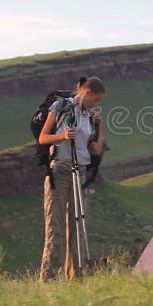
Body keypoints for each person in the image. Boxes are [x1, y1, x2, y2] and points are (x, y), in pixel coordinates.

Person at [37, 76, 106, 281]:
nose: (97, 104)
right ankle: (48, 278)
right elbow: (43, 138)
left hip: (80, 172)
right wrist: (63, 136)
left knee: (77, 226)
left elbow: (96, 148)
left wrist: (100, 126)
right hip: (59, 171)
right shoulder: (60, 107)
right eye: (97, 100)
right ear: (87, 92)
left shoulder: (88, 115)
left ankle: (76, 275)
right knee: (55, 226)